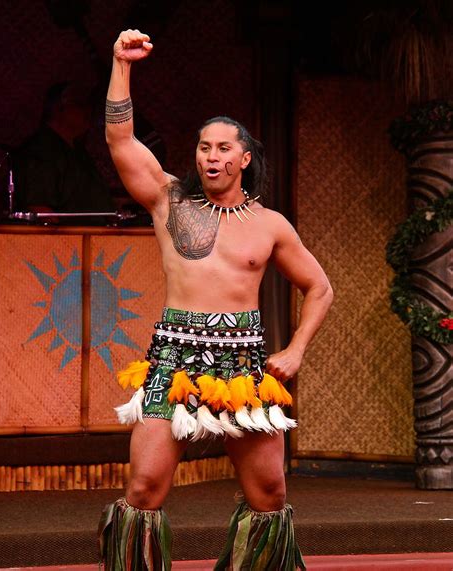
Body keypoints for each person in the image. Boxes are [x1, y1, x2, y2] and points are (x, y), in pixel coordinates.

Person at [98, 29, 333, 570]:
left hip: (242, 366)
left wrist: (296, 350)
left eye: (223, 148)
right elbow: (120, 141)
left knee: (269, 495)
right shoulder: (170, 201)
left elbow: (319, 288)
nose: (211, 156)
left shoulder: (270, 225)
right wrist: (121, 64)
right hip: (173, 357)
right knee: (144, 489)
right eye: (204, 147)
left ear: (243, 158)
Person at [13, 82, 114, 219]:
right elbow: (40, 210)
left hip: (95, 236)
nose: (87, 110)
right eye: (79, 104)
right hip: (69, 238)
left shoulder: (78, 151)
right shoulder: (41, 150)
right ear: (57, 109)